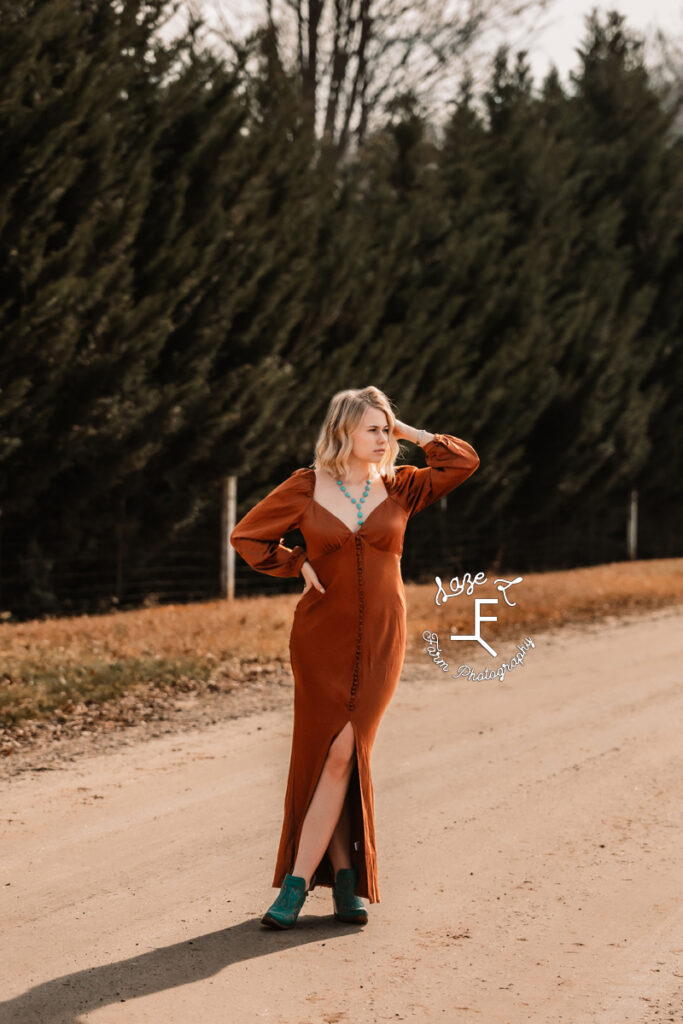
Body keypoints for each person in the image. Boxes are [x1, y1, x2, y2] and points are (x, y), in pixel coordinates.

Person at [230, 386, 480, 928]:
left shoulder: (402, 485)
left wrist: (411, 431)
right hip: (321, 639)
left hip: (383, 640)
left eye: (387, 428)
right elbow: (247, 536)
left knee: (346, 750)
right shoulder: (305, 486)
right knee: (330, 756)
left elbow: (463, 460)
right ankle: (343, 883)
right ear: (342, 431)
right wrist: (296, 563)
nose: (383, 437)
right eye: (372, 428)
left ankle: (298, 885)